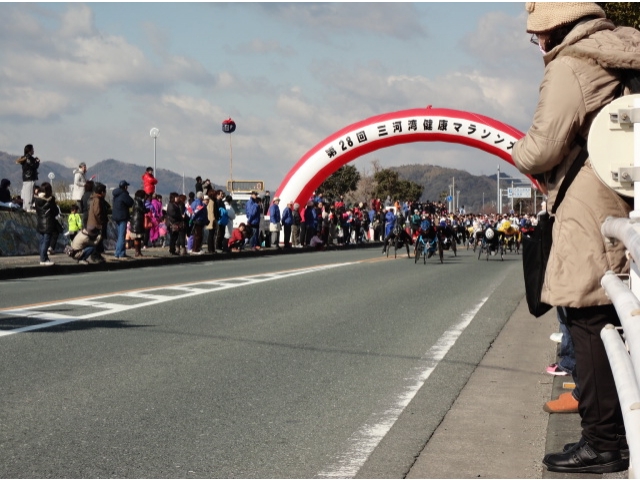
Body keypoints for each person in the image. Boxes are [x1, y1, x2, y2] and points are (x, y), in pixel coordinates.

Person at [512, 3, 640, 474]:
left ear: (555, 27)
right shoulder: (626, 49)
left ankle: (602, 440)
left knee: (587, 317)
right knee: (616, 310)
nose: (539, 46)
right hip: (628, 196)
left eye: (538, 36)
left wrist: (518, 151)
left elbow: (543, 144)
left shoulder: (572, 64)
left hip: (588, 201)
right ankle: (619, 429)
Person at [33, 182, 56, 266]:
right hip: (48, 223)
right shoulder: (50, 200)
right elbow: (55, 211)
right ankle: (43, 259)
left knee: (42, 241)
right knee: (46, 241)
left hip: (40, 222)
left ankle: (44, 257)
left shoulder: (37, 199)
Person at [111, 180, 134, 259]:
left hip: (116, 216)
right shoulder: (124, 194)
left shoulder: (116, 194)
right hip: (122, 216)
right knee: (122, 235)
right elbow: (131, 202)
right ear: (125, 187)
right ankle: (119, 253)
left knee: (120, 235)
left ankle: (120, 252)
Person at [87, 182, 109, 262]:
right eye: (104, 191)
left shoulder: (93, 198)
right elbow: (97, 212)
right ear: (102, 192)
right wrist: (101, 221)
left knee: (97, 241)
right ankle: (95, 256)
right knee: (96, 241)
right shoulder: (97, 200)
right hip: (96, 224)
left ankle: (98, 255)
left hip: (92, 223)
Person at [17, 144, 40, 212]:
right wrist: (38, 162)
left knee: (25, 194)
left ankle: (25, 207)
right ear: (30, 150)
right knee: (29, 194)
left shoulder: (24, 157)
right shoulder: (29, 158)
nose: (33, 150)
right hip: (30, 178)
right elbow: (34, 166)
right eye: (32, 149)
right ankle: (28, 207)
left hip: (25, 178)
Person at [130, 190, 148, 257]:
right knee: (137, 237)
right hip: (137, 221)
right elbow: (143, 210)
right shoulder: (138, 202)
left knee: (138, 238)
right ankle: (137, 251)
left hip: (137, 221)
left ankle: (138, 251)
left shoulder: (137, 201)